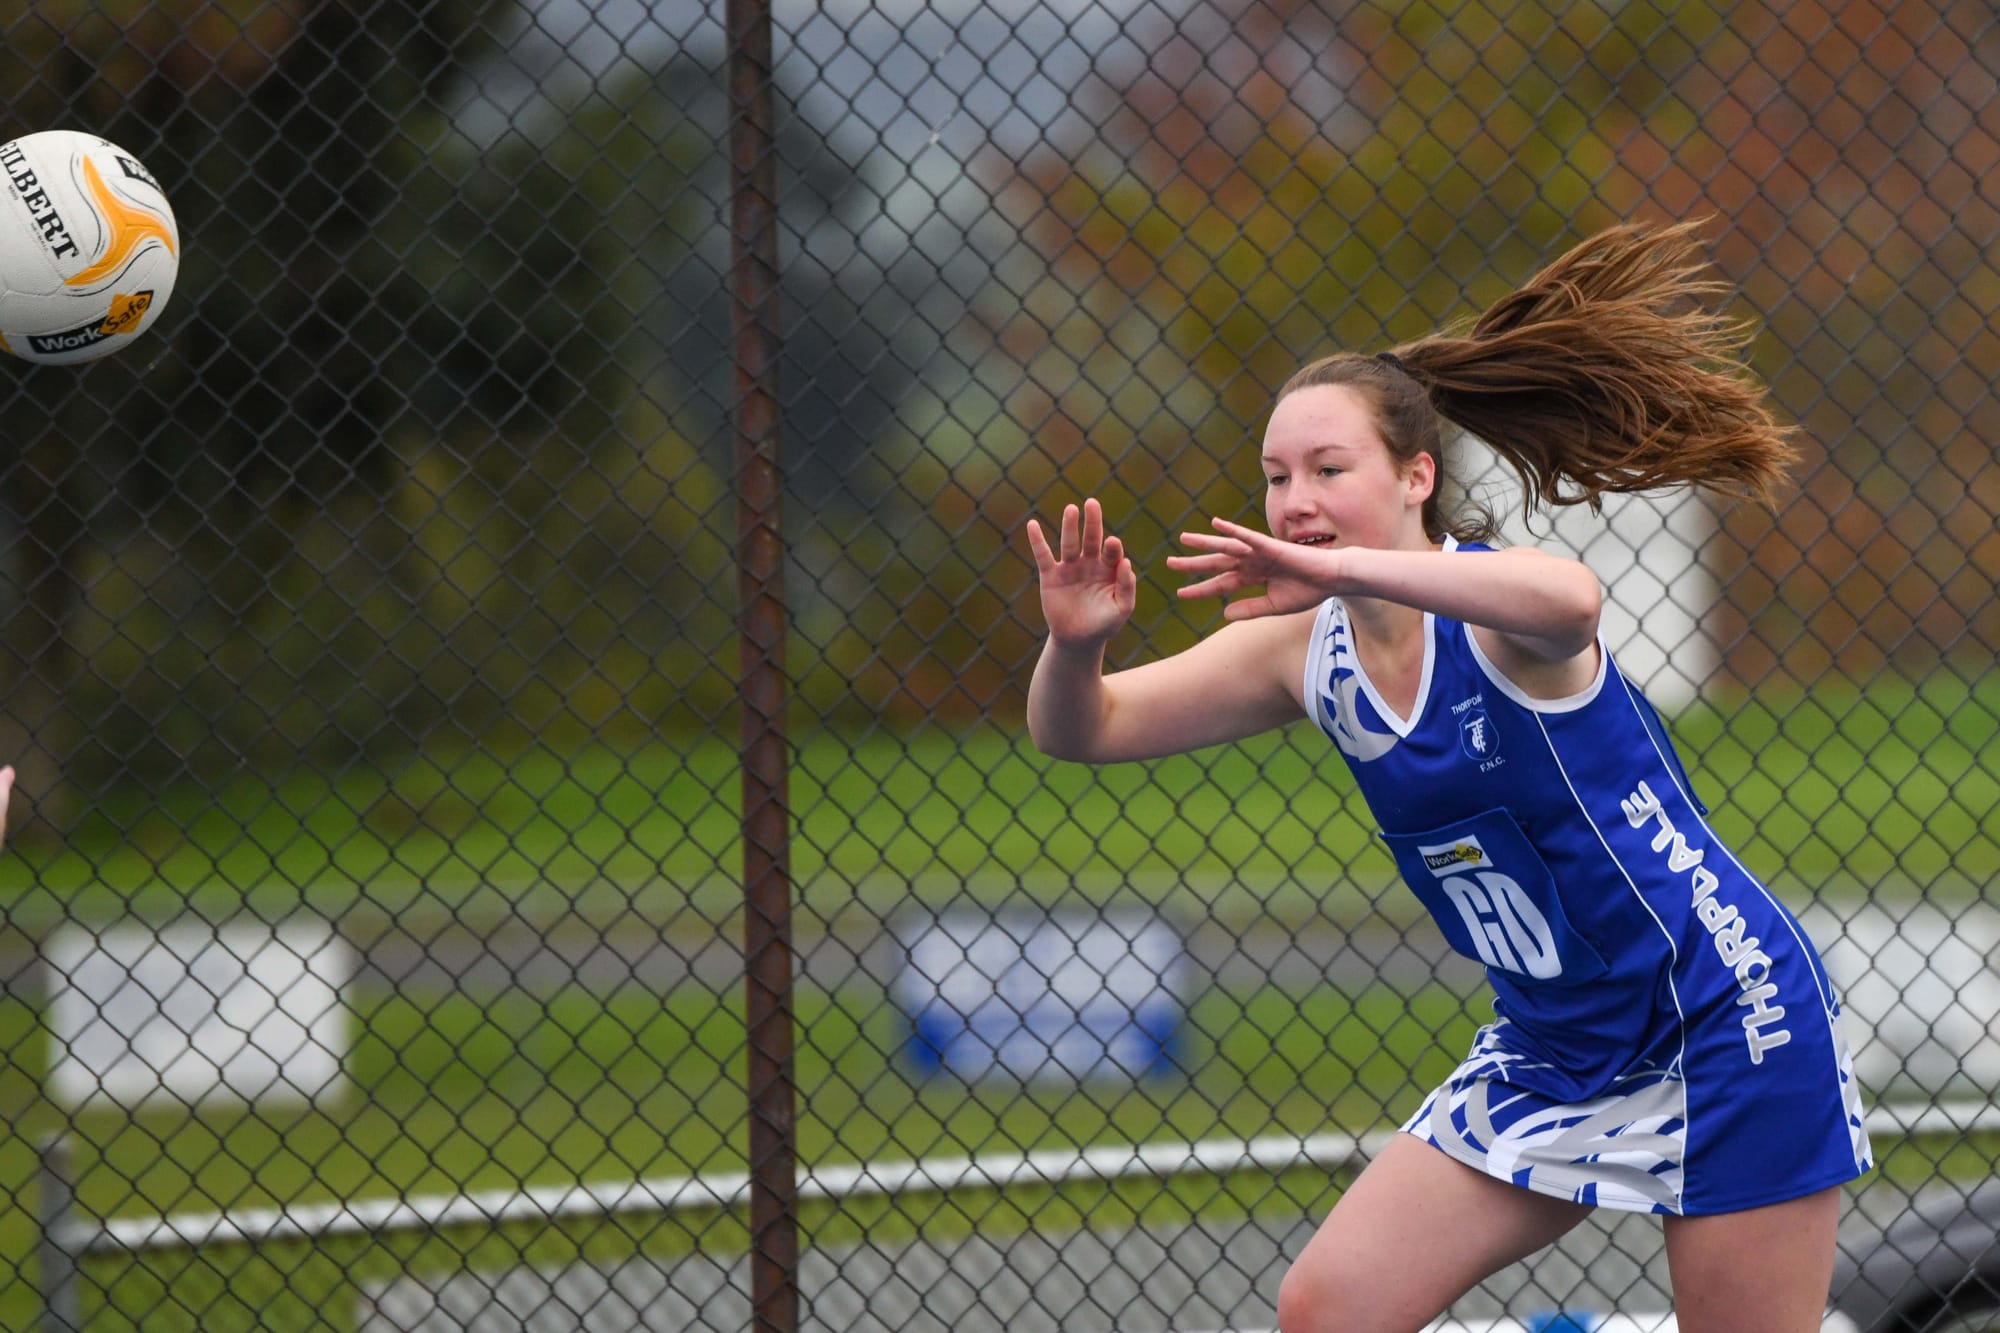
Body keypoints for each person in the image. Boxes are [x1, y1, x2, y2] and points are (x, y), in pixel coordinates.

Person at [1023, 221, 1872, 1333]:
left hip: (1720, 1018)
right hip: (1552, 1043)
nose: (1294, 499)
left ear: (1416, 475)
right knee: (1325, 1311)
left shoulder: (1498, 618)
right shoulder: (1304, 652)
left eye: (1329, 470)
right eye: (1276, 476)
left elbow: (1570, 600)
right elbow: (1084, 730)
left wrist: (1335, 565)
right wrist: (1077, 644)